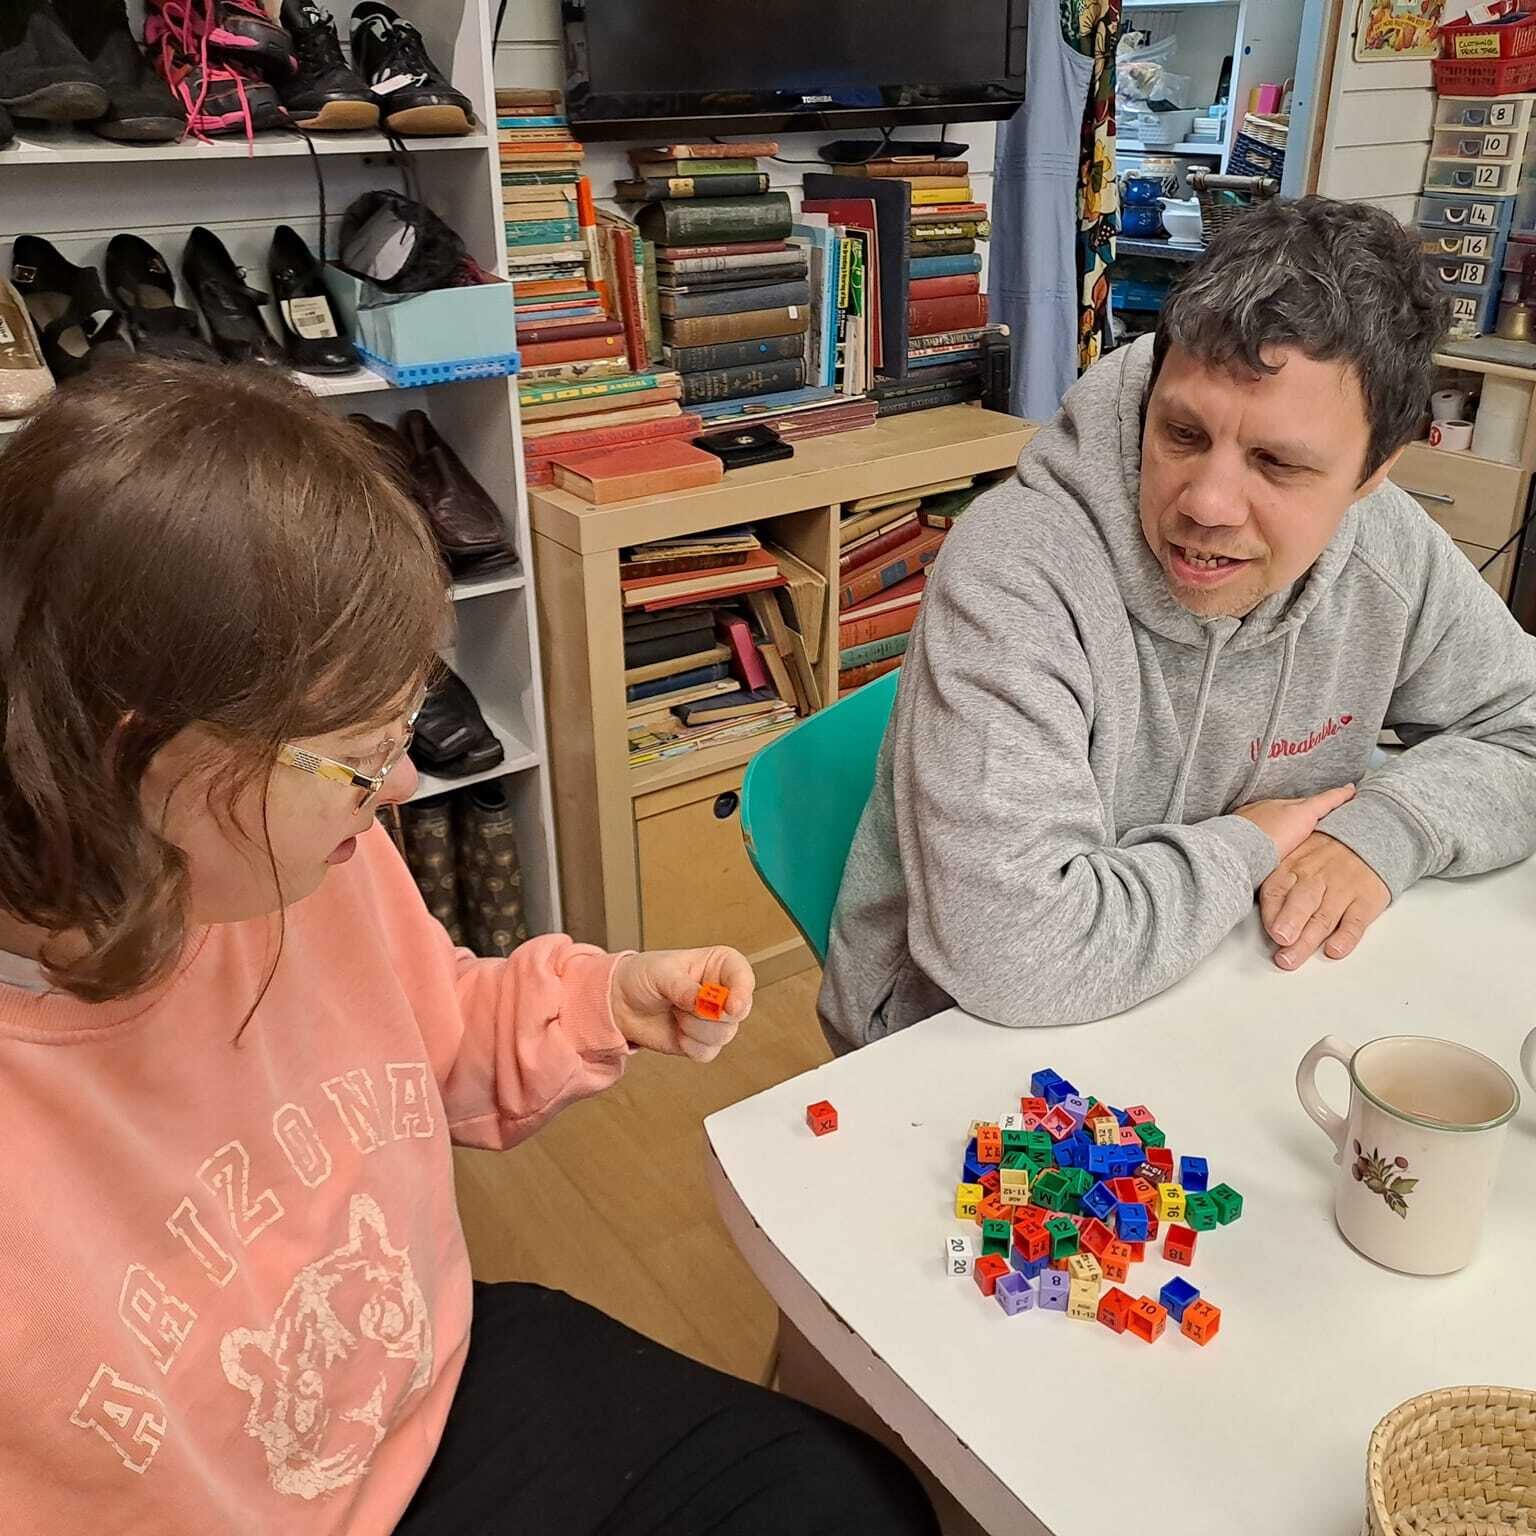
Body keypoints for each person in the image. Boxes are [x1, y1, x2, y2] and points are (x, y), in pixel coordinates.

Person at [0, 360, 938, 1536]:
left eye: (400, 729)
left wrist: (604, 1003)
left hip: (430, 1389)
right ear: (152, 764)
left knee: (848, 1499)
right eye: (355, 754)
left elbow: (433, 1036)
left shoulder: (317, 864)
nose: (400, 785)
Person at [821, 195, 1536, 1050]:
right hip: (958, 1047)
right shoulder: (1016, 568)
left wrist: (1389, 831)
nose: (1205, 504)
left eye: (1277, 462)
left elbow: (1523, 729)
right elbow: (1013, 954)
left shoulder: (1390, 550)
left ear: (1373, 473)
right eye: (1182, 433)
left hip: (1229, 986)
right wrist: (1250, 844)